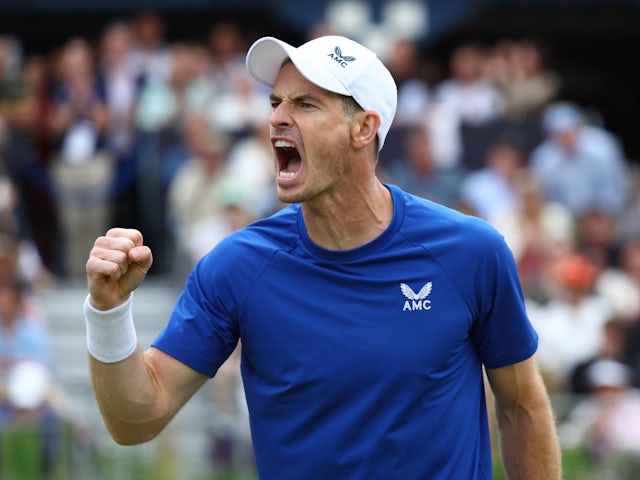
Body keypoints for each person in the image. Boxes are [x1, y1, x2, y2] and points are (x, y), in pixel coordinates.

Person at [84, 35, 561, 479]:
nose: (276, 118)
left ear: (364, 128)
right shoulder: (234, 266)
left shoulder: (472, 252)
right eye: (275, 102)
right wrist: (108, 311)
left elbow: (521, 406)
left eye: (305, 104)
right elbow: (137, 421)